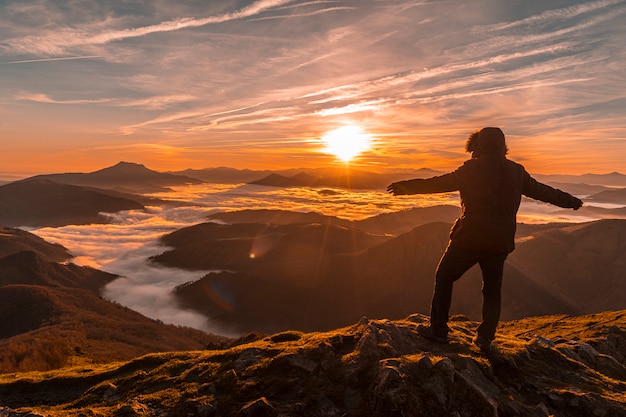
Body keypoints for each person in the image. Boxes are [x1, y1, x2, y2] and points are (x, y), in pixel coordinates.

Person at [387, 127, 583, 351]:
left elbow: (438, 183)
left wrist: (404, 187)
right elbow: (544, 192)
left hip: (469, 239)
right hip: (500, 242)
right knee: (492, 288)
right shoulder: (516, 171)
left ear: (477, 146)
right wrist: (571, 201)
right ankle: (485, 338)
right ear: (503, 146)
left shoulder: (472, 169)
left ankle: (438, 330)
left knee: (444, 276)